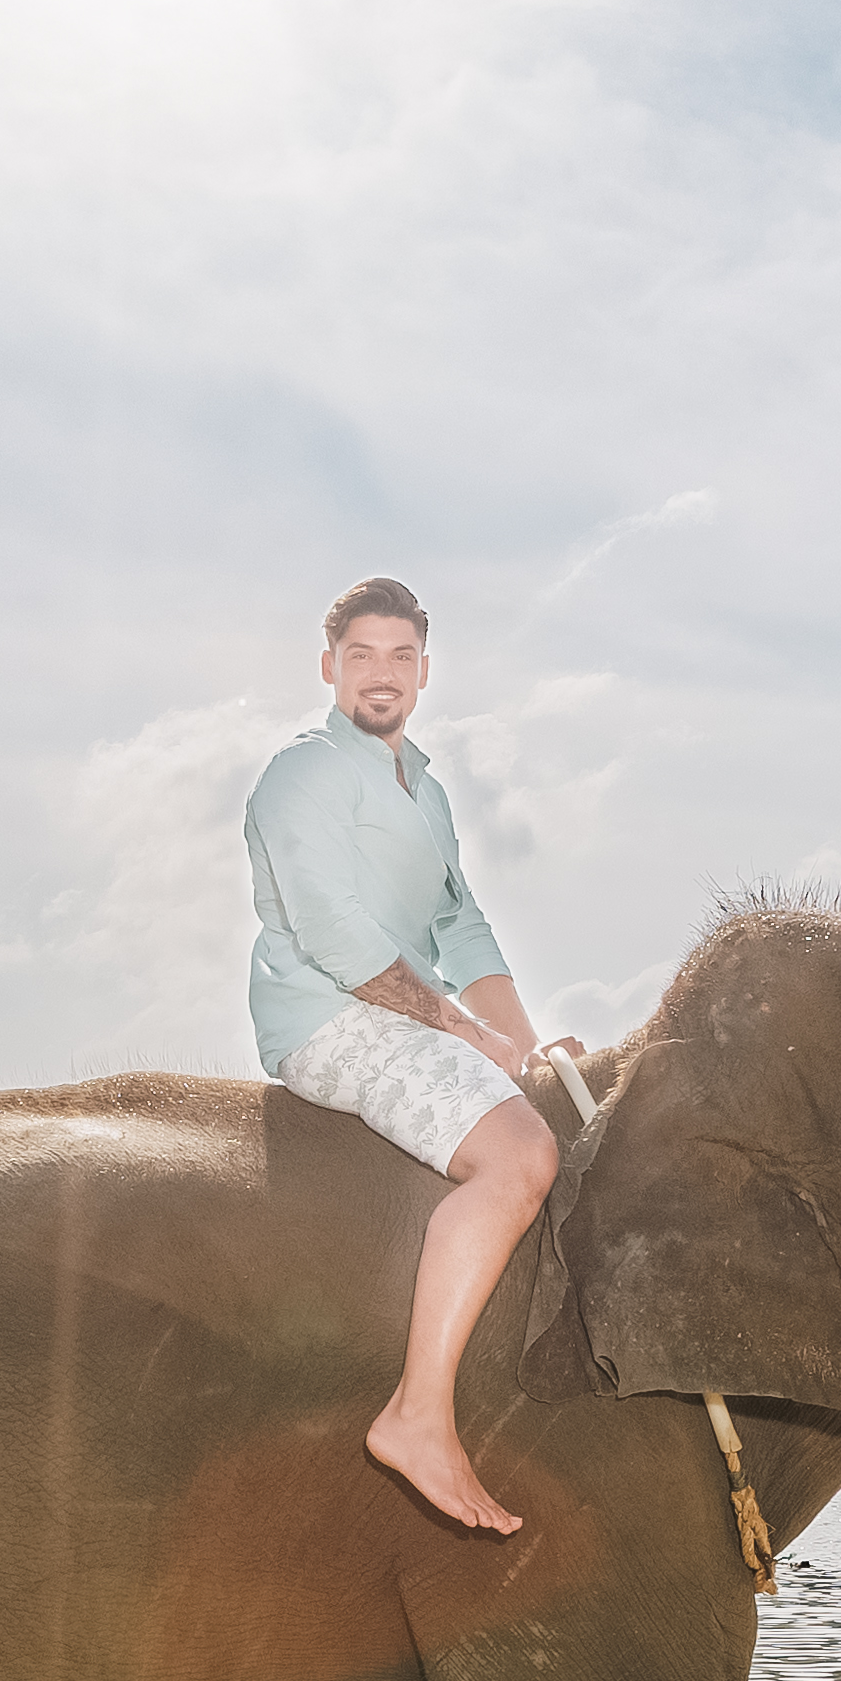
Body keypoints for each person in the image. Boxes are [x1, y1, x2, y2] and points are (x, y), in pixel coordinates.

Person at [244, 577, 578, 1534]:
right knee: (519, 1155)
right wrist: (463, 1031)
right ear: (329, 667)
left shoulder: (423, 789)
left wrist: (521, 1040)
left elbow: (460, 925)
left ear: (424, 672)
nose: (381, 673)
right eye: (362, 655)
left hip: (409, 1017)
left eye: (400, 655)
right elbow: (332, 932)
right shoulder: (303, 773)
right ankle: (417, 1417)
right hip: (327, 1015)